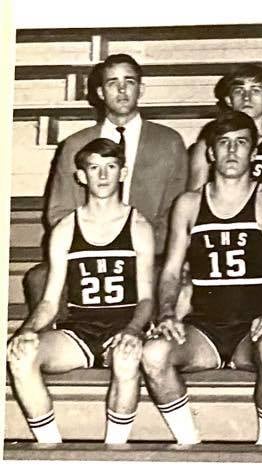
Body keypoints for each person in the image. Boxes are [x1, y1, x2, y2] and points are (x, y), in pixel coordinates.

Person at [140, 111, 262, 445]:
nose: (232, 151)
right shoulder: (189, 204)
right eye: (223, 143)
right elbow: (171, 270)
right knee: (153, 354)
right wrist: (166, 313)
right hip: (204, 329)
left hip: (254, 329)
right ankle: (189, 443)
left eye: (241, 142)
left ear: (254, 152)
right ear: (211, 152)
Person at [7, 139, 155, 444]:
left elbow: (146, 298)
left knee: (126, 358)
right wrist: (27, 330)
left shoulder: (139, 226)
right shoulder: (65, 229)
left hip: (123, 327)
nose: (102, 175)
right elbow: (50, 301)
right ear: (81, 176)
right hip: (79, 331)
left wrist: (133, 330)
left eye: (110, 167)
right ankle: (50, 447)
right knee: (21, 357)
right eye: (94, 167)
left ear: (123, 173)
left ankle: (115, 449)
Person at [31, 54, 187, 314]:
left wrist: (139, 249)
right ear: (100, 92)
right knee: (39, 278)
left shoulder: (169, 142)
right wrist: (96, 247)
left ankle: (153, 336)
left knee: (174, 279)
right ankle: (61, 337)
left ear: (141, 89)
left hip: (147, 255)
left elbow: (176, 211)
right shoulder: (75, 145)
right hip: (87, 254)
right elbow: (59, 211)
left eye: (129, 82)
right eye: (113, 83)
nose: (122, 90)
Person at [188, 64, 262, 203]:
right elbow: (194, 203)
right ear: (229, 100)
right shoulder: (206, 146)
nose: (246, 97)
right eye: (239, 90)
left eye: (255, 90)